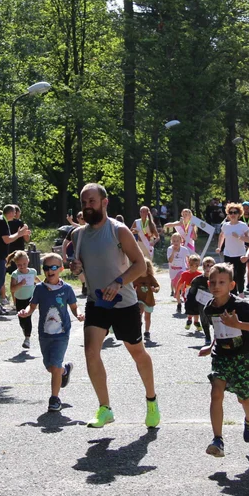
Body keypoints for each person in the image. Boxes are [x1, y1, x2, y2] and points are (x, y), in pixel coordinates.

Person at [68, 183, 159, 429]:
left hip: (124, 302)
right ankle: (104, 408)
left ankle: (151, 400)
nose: (87, 207)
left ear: (104, 202)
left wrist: (119, 282)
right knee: (90, 352)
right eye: (84, 203)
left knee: (137, 352)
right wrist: (77, 269)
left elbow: (140, 265)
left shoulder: (119, 231)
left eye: (92, 202)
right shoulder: (78, 235)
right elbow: (82, 269)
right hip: (97, 302)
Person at [198, 262, 249, 457]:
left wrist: (238, 324)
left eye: (221, 282)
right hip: (221, 357)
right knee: (216, 392)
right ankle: (217, 440)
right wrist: (210, 346)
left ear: (232, 285)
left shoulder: (240, 306)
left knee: (242, 397)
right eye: (212, 282)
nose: (216, 286)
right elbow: (218, 330)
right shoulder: (210, 308)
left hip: (242, 358)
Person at [18, 253, 80, 411]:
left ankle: (54, 399)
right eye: (46, 268)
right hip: (44, 334)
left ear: (60, 269)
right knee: (50, 367)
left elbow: (73, 307)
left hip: (62, 333)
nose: (49, 271)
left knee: (55, 364)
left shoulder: (66, 289)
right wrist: (26, 312)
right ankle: (64, 371)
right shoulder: (39, 289)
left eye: (53, 267)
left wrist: (79, 314)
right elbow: (32, 306)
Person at [0, 205, 31, 315]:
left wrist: (21, 234)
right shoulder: (1, 221)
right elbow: (7, 240)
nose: (16, 215)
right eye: (15, 213)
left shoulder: (1, 220)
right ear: (11, 213)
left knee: (0, 281)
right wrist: (19, 234)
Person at [217, 202, 249, 295]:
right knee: (230, 276)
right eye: (231, 212)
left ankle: (241, 293)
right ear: (228, 214)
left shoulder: (242, 225)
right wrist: (219, 247)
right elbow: (221, 236)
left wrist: (239, 237)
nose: (233, 214)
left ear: (239, 214)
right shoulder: (225, 225)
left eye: (235, 212)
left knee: (240, 275)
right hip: (228, 254)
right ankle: (233, 295)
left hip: (240, 254)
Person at [8, 250, 39, 349]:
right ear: (16, 264)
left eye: (24, 264)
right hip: (19, 300)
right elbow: (12, 289)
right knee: (22, 320)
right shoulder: (15, 274)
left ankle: (27, 339)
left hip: (30, 299)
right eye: (19, 265)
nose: (22, 266)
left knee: (28, 317)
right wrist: (20, 284)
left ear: (28, 261)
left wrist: (44, 285)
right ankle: (25, 330)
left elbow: (37, 281)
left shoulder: (32, 272)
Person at [187, 257, 215, 342]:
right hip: (202, 304)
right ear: (203, 267)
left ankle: (218, 337)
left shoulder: (217, 279)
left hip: (215, 303)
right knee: (204, 320)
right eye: (206, 265)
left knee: (215, 321)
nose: (208, 268)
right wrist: (190, 306)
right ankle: (207, 336)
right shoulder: (198, 280)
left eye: (211, 266)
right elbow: (191, 293)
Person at [133, 263, 161, 341]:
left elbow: (157, 286)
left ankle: (147, 331)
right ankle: (138, 327)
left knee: (147, 317)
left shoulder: (150, 278)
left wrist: (155, 289)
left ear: (147, 268)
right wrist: (132, 289)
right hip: (139, 299)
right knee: (140, 311)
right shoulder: (136, 278)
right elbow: (131, 286)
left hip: (149, 300)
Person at [176, 254, 203, 331]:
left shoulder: (200, 274)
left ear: (198, 265)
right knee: (189, 306)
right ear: (188, 264)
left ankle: (196, 321)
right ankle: (189, 319)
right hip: (187, 293)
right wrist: (176, 292)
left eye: (196, 265)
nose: (194, 267)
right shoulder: (185, 274)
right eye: (191, 265)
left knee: (197, 307)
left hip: (197, 293)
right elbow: (180, 282)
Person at [166, 233, 190, 301]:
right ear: (171, 242)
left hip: (181, 269)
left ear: (181, 241)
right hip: (173, 270)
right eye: (174, 241)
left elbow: (188, 257)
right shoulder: (170, 249)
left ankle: (184, 297)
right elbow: (170, 260)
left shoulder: (184, 249)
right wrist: (173, 252)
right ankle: (178, 302)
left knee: (182, 283)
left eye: (177, 241)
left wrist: (188, 265)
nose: (176, 243)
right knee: (175, 286)